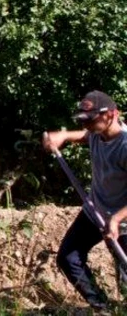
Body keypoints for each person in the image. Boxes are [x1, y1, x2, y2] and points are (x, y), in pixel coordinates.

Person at [43, 90, 127, 311]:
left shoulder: (125, 146)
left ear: (111, 115)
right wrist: (63, 136)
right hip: (95, 212)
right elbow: (85, 135)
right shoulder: (98, 134)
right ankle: (102, 307)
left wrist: (117, 220)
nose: (87, 125)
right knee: (68, 257)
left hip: (123, 222)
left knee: (126, 282)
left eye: (91, 120)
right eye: (84, 121)